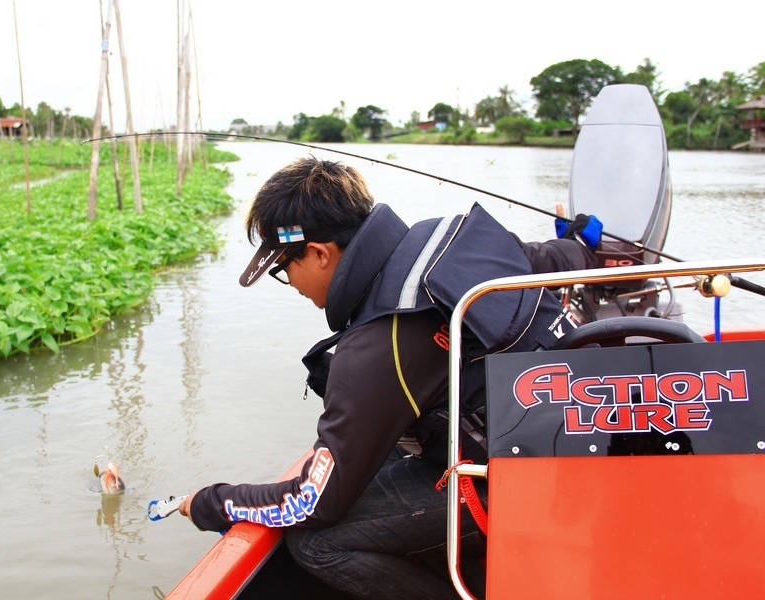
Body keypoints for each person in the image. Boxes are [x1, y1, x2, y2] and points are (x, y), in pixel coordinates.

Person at [178, 157, 600, 599]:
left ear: (320, 254)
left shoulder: (374, 349)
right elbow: (545, 257)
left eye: (284, 270)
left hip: (531, 488)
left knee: (316, 542)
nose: (293, 284)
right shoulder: (453, 241)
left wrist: (211, 501)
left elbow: (314, 502)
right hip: (590, 437)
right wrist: (581, 246)